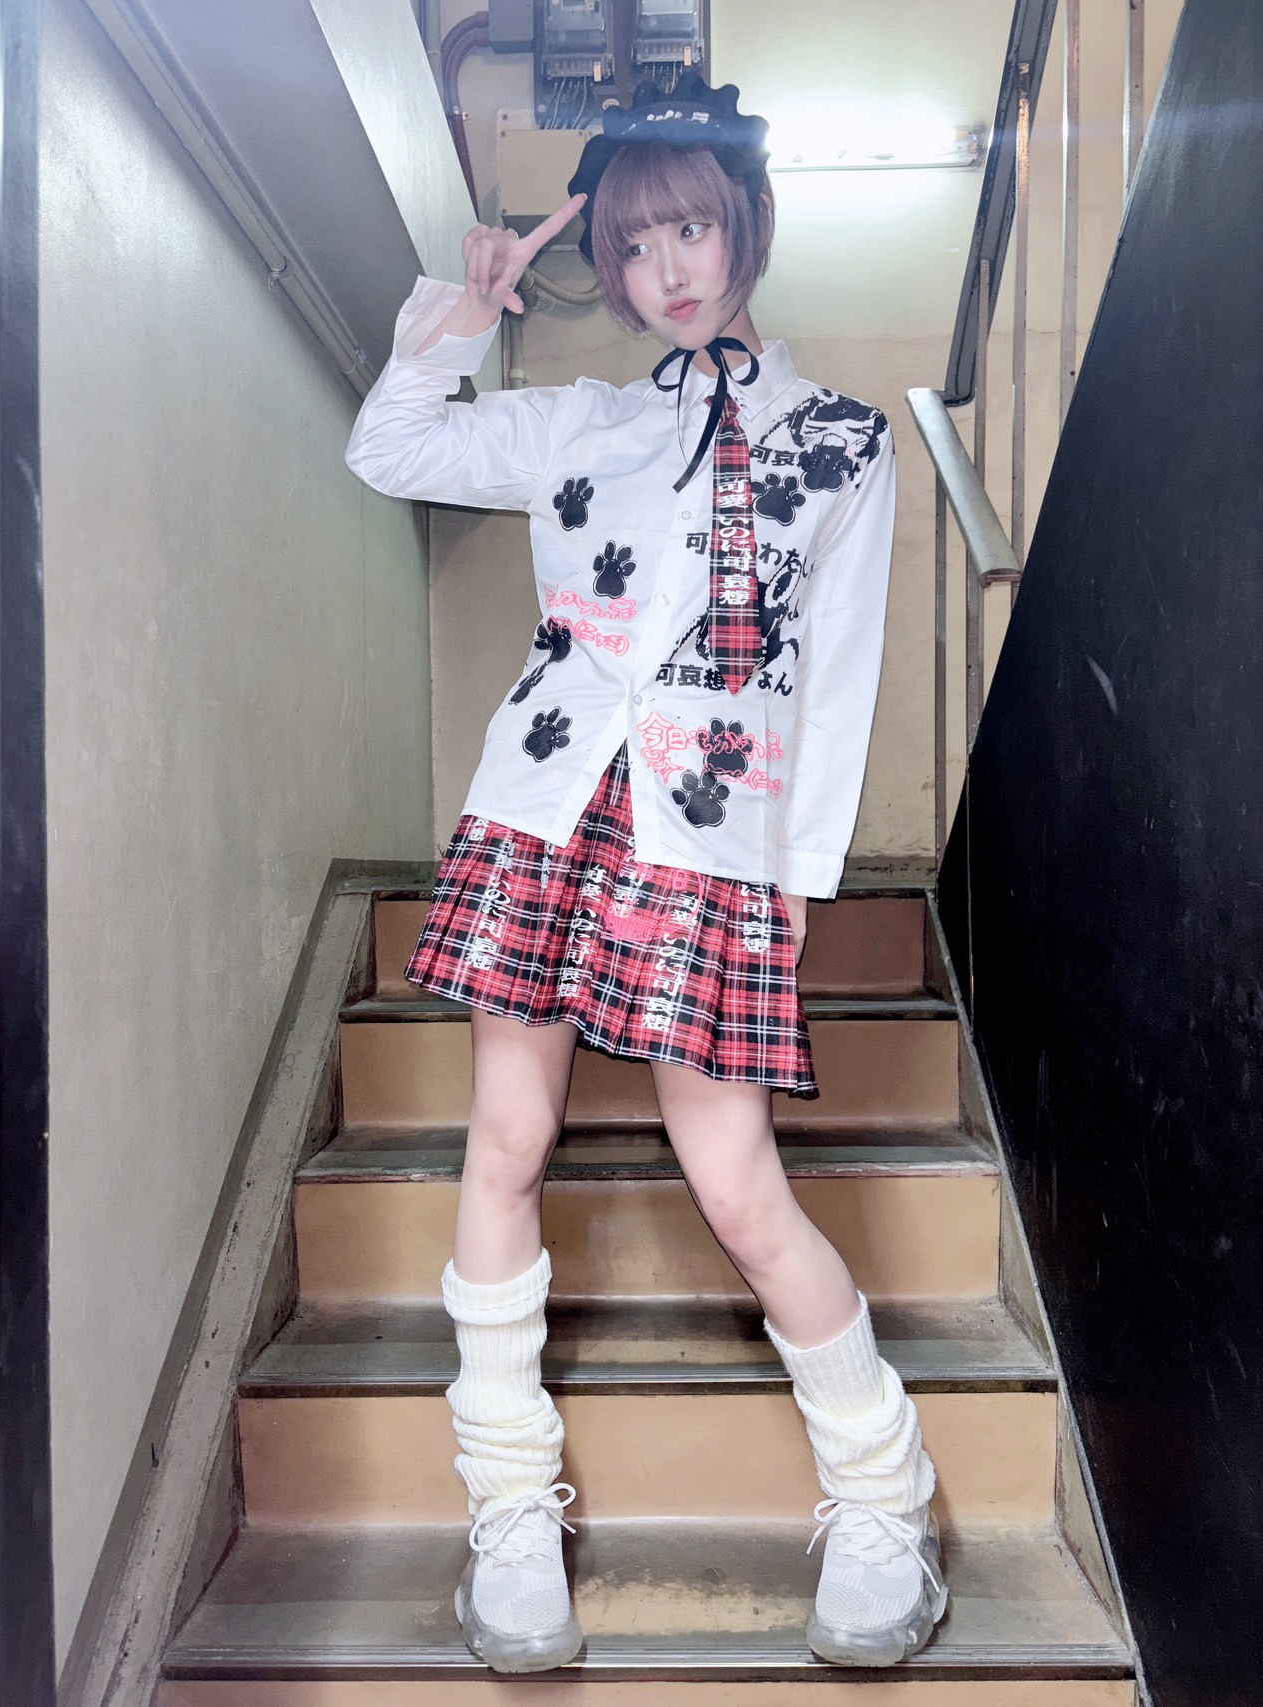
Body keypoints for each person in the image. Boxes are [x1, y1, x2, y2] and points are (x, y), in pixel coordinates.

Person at [345, 72, 946, 1675]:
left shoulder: (842, 442)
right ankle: (509, 1506)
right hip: (545, 809)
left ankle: (882, 1490)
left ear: (746, 223)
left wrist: (797, 877)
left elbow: (836, 682)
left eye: (689, 228)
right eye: (630, 244)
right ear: (605, 268)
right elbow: (389, 445)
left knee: (735, 1183)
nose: (665, 268)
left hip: (710, 833)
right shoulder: (585, 425)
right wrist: (461, 310)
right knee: (506, 1140)